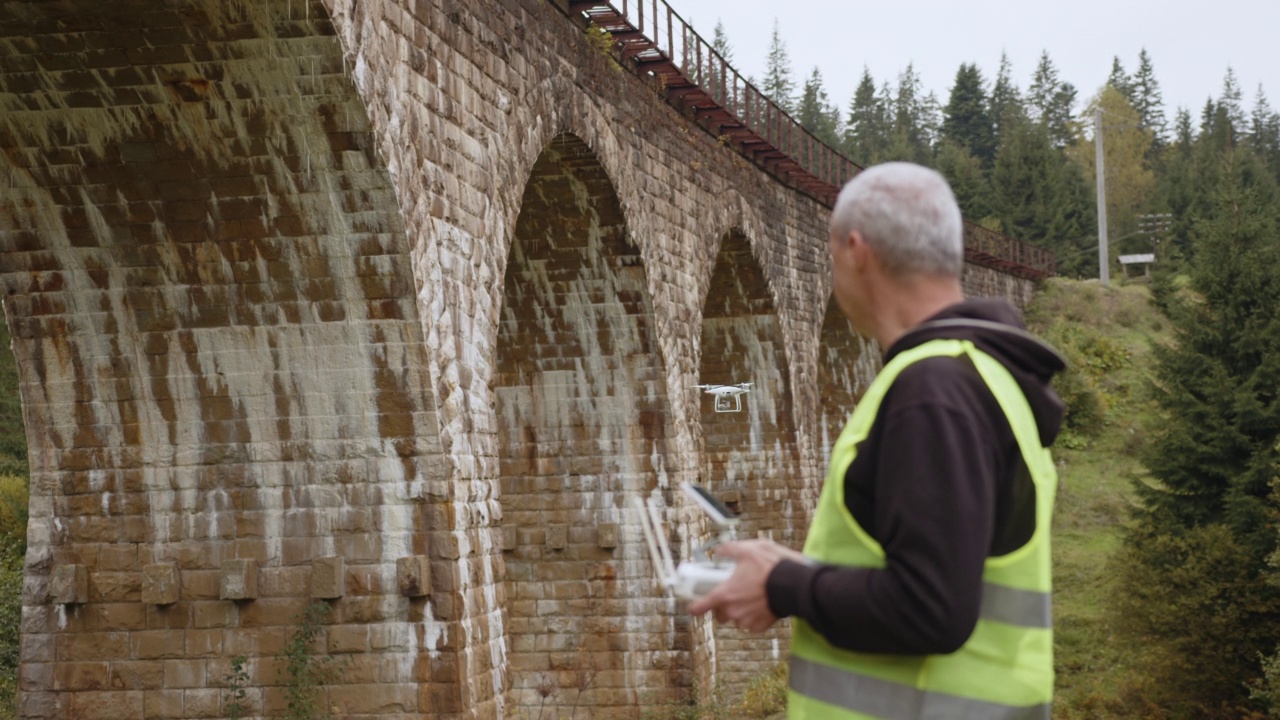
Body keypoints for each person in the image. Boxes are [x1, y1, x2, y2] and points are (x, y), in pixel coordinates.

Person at [688, 162, 1065, 719]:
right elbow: (939, 564)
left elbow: (932, 608)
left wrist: (788, 586)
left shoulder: (934, 392)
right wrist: (798, 572)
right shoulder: (980, 375)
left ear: (856, 250)